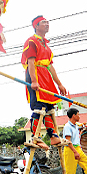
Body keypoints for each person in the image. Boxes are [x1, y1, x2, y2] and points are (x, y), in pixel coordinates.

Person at [21, 16, 67, 150]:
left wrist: (59, 84)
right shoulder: (31, 41)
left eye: (48, 22)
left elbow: (50, 66)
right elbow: (30, 62)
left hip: (46, 77)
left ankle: (53, 136)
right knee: (39, 107)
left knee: (49, 107)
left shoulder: (46, 45)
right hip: (35, 74)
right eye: (44, 23)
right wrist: (34, 81)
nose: (47, 24)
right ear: (36, 26)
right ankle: (35, 137)